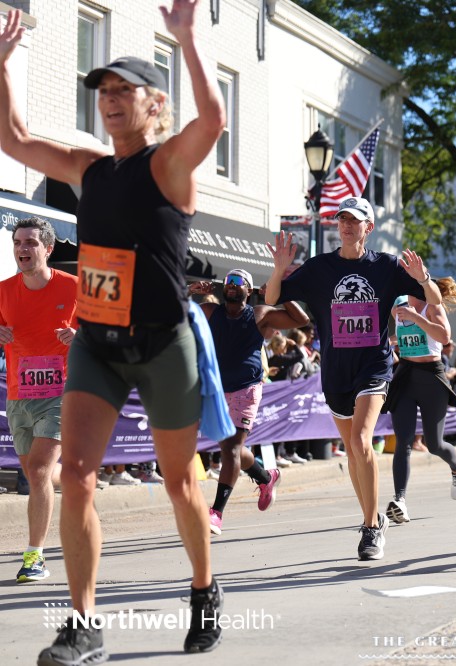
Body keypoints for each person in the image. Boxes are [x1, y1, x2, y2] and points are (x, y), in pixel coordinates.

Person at [0, 3, 228, 660]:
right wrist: (4, 65)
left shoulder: (171, 166)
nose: (110, 99)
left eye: (124, 89)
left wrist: (186, 38)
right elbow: (14, 139)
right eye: (103, 91)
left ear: (154, 104)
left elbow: (213, 120)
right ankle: (84, 623)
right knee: (74, 474)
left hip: (162, 343)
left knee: (179, 480)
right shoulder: (88, 168)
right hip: (97, 343)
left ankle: (204, 587)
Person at [265, 196, 441, 561]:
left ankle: (370, 528)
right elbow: (272, 298)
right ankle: (374, 516)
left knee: (362, 441)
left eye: (354, 220)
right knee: (353, 451)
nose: (346, 225)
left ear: (368, 228)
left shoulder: (386, 266)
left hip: (373, 367)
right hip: (335, 373)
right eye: (342, 219)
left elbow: (434, 299)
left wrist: (423, 278)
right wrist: (278, 270)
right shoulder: (318, 268)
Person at [190, 269, 309, 536]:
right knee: (229, 447)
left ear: (249, 289)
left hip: (247, 389)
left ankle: (216, 512)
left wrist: (278, 295)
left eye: (237, 282)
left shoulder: (260, 314)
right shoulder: (210, 310)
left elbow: (301, 320)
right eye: (228, 281)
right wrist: (189, 291)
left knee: (231, 449)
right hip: (218, 389)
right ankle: (266, 477)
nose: (231, 285)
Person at [0, 217, 78, 583]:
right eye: (18, 242)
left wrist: (81, 337)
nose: (22, 248)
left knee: (40, 472)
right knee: (34, 474)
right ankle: (76, 477)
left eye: (30, 242)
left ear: (48, 248)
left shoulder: (75, 288)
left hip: (60, 394)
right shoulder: (3, 291)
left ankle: (34, 556)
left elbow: (110, 332)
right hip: (19, 395)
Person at [384, 279, 456, 525]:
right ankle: (399, 500)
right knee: (403, 441)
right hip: (405, 375)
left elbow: (444, 337)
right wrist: (390, 341)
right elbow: (403, 335)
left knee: (434, 444)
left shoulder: (433, 306)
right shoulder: (398, 305)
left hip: (431, 376)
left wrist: (416, 317)